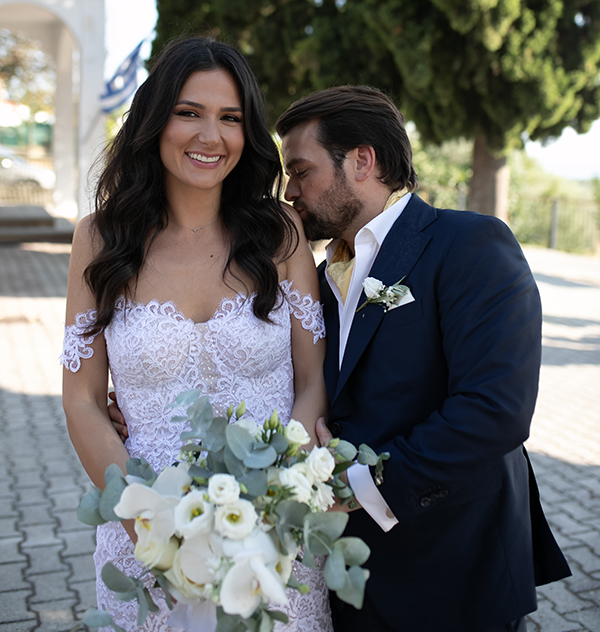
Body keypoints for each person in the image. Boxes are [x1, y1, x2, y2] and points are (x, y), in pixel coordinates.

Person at [61, 36, 333, 632]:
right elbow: (82, 400)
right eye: (190, 112)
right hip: (148, 538)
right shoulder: (99, 239)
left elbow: (312, 383)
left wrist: (279, 502)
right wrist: (149, 522)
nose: (211, 136)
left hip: (269, 541)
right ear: (155, 122)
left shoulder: (280, 233)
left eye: (230, 118)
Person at [275, 85, 570, 632]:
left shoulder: (470, 244)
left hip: (454, 575)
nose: (290, 192)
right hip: (352, 582)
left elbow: (495, 409)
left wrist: (361, 487)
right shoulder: (315, 281)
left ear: (362, 161)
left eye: (300, 171)